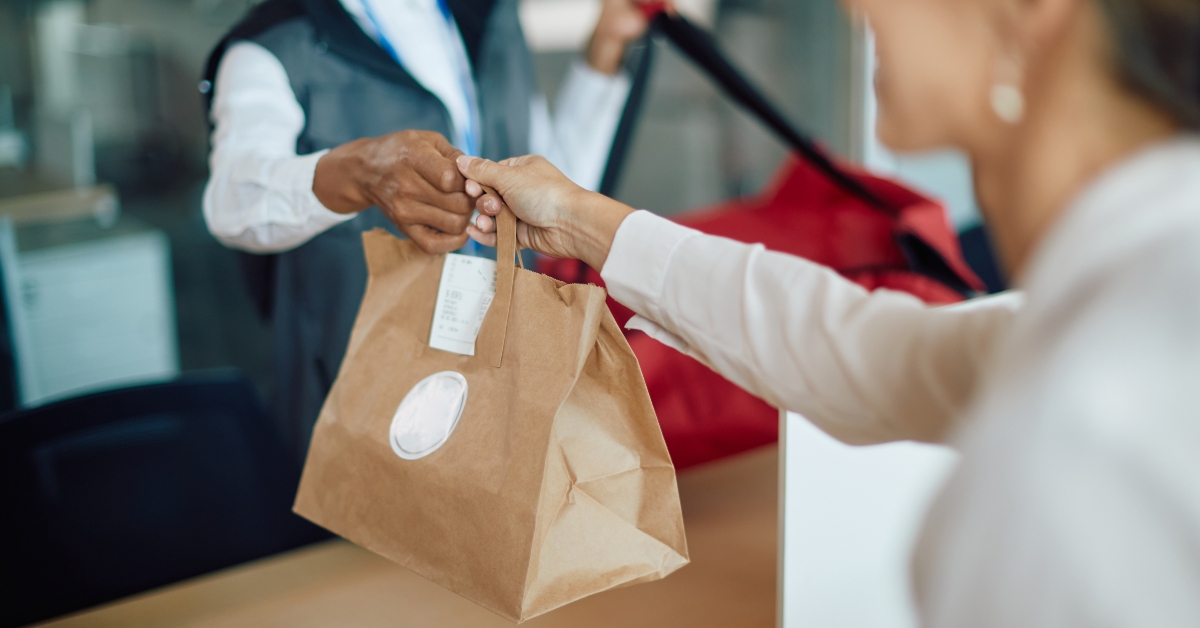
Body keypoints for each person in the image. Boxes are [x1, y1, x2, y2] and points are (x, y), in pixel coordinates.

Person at [457, 0, 1200, 624]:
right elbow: (867, 348)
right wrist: (586, 222)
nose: (854, 8)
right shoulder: (1135, 304)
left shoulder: (1089, 426)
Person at [200, 0, 658, 458]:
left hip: (506, 378)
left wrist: (606, 45)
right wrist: (358, 174)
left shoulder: (490, 20)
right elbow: (231, 203)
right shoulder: (274, 44)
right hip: (359, 403)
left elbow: (554, 188)